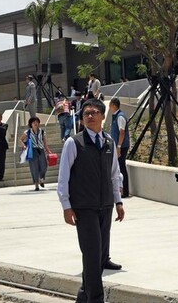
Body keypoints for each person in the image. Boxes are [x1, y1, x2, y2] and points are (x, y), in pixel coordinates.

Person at [57, 98, 125, 302]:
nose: (90, 116)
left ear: (103, 116)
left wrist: (118, 202)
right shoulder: (74, 143)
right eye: (86, 113)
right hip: (84, 207)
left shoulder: (109, 142)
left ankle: (83, 298)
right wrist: (66, 206)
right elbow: (63, 177)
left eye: (94, 112)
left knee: (99, 257)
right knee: (92, 254)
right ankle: (96, 299)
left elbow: (115, 175)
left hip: (106, 206)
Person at [21, 117, 51, 191]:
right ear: (31, 124)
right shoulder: (27, 132)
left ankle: (41, 178)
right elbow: (20, 140)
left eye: (37, 122)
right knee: (34, 168)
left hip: (41, 150)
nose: (35, 123)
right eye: (34, 122)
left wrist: (48, 150)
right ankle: (36, 185)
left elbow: (45, 142)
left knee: (44, 166)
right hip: (32, 151)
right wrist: (24, 146)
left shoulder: (42, 131)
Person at [109, 98, 130, 198]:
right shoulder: (115, 116)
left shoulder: (120, 117)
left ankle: (125, 191)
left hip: (121, 146)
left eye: (110, 104)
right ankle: (120, 190)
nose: (109, 107)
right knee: (118, 168)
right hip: (118, 146)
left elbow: (122, 132)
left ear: (113, 105)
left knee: (121, 167)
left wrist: (119, 146)